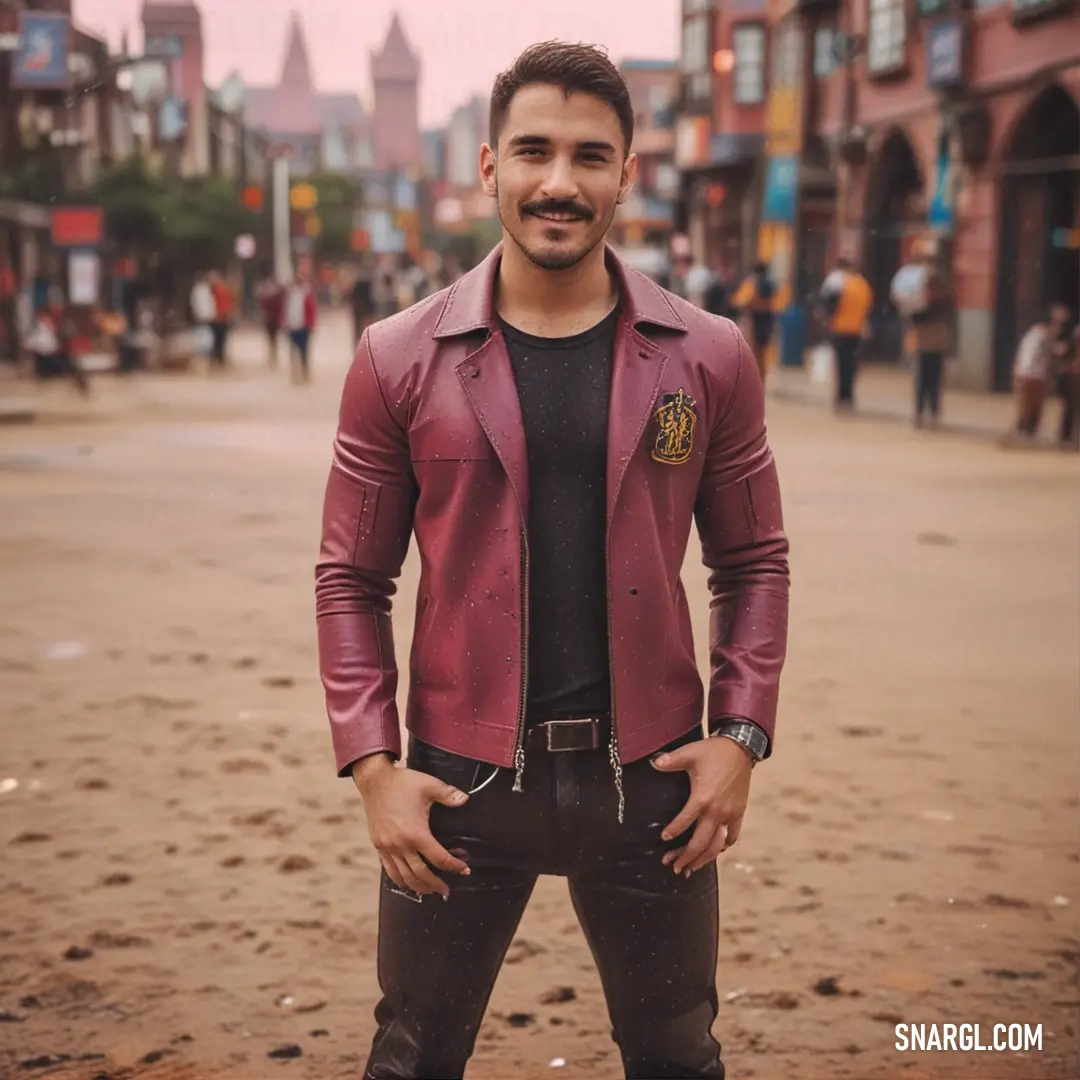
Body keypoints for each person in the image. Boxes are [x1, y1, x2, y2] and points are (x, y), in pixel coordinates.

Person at [315, 41, 790, 1079]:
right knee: (411, 1057)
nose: (558, 182)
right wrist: (373, 768)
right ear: (488, 167)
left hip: (653, 785)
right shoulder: (398, 356)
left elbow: (752, 560)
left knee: (678, 1057)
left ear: (629, 172)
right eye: (532, 151)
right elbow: (351, 576)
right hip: (456, 786)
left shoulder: (706, 355)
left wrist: (741, 736)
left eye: (590, 156)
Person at [893, 240, 951, 427]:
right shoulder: (939, 286)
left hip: (926, 338)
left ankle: (923, 412)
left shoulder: (929, 286)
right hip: (935, 338)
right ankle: (930, 412)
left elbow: (918, 312)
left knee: (924, 377)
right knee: (932, 377)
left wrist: (911, 312)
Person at [817, 258, 874, 411]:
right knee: (851, 365)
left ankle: (841, 397)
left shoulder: (838, 282)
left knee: (842, 364)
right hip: (857, 329)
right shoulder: (863, 285)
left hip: (840, 328)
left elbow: (829, 304)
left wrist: (826, 319)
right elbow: (868, 306)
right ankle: (848, 396)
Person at [1012, 304, 1071, 439]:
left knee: (1027, 407)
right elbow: (1051, 351)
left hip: (1026, 372)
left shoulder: (1034, 333)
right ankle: (1026, 430)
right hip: (1034, 374)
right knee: (1032, 407)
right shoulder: (1043, 333)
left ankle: (1024, 430)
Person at [732, 261, 776, 384]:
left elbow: (740, 301)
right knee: (763, 352)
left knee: (753, 352)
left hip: (755, 319)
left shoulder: (752, 283)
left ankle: (754, 381)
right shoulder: (770, 284)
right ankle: (762, 380)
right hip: (767, 320)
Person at [284, 266, 317, 383]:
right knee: (293, 350)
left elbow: (312, 310)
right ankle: (295, 372)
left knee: (304, 351)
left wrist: (311, 324)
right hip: (292, 326)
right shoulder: (290, 294)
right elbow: (287, 310)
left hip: (303, 327)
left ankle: (305, 371)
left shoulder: (307, 294)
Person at [256, 273, 285, 366]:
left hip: (273, 319)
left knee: (273, 338)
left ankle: (273, 354)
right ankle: (272, 354)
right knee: (271, 338)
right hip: (270, 320)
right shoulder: (269, 296)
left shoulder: (274, 296)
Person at [208, 271, 235, 367]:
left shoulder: (220, 290)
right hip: (219, 318)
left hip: (220, 319)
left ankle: (219, 359)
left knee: (218, 341)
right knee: (219, 341)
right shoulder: (215, 290)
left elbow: (226, 305)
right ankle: (218, 359)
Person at [349, 263, 375, 348]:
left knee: (358, 331)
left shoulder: (359, 283)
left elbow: (353, 297)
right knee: (367, 330)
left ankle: (359, 346)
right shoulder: (370, 282)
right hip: (365, 309)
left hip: (358, 309)